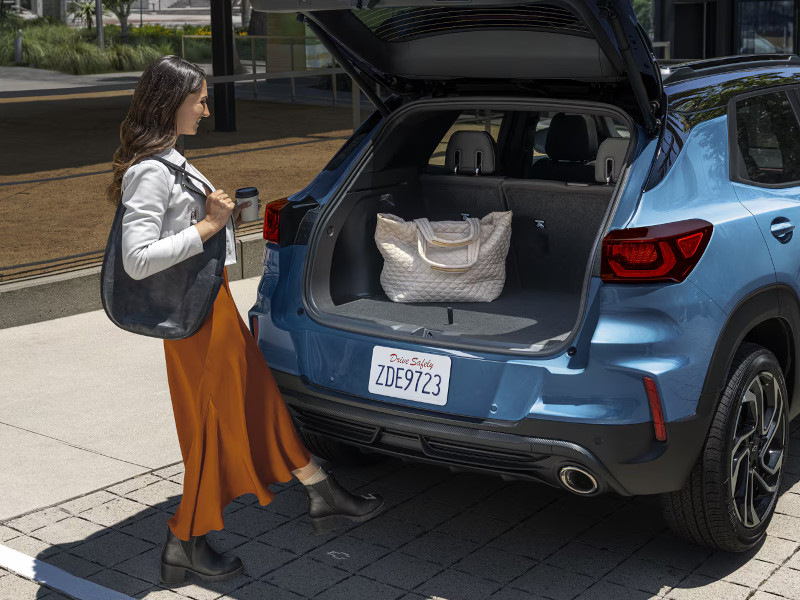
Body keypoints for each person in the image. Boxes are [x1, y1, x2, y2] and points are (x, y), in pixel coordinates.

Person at [106, 55, 384, 584]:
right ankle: (184, 540)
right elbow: (136, 258)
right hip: (193, 321)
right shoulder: (148, 171)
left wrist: (227, 219)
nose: (206, 111)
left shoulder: (170, 160)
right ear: (171, 103)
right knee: (211, 423)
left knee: (257, 397)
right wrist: (211, 226)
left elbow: (191, 228)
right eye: (200, 100)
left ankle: (320, 488)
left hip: (213, 307)